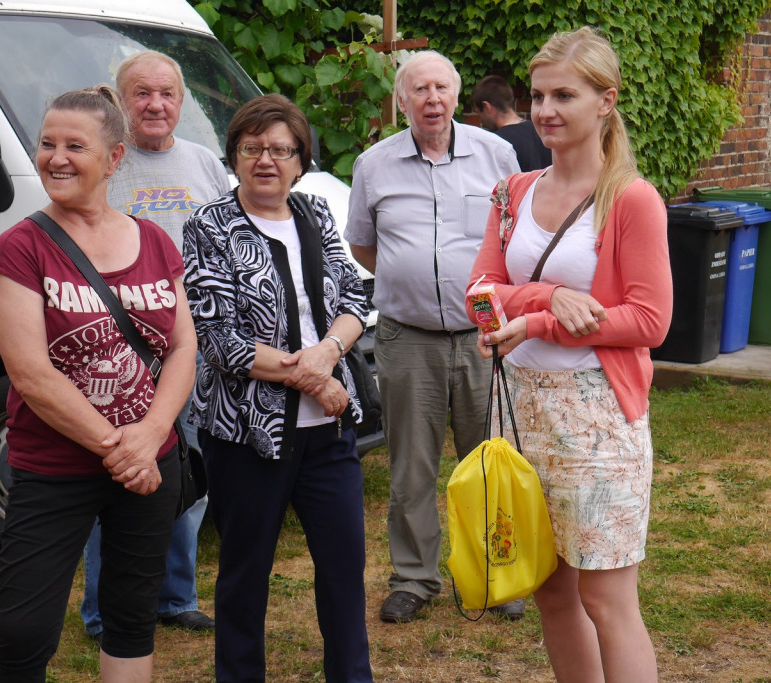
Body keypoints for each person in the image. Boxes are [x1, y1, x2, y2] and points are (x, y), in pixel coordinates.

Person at [467, 27, 670, 682]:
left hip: (598, 419)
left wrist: (538, 323)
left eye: (564, 95)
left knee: (606, 600)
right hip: (518, 410)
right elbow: (478, 296)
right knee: (550, 591)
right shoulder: (512, 193)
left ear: (606, 101)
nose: (546, 110)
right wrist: (548, 297)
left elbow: (650, 319)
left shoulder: (631, 199)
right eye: (538, 96)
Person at [0, 85, 197, 682]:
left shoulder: (153, 240)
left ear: (114, 158)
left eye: (75, 145)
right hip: (55, 469)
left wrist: (151, 435)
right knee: (25, 630)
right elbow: (31, 375)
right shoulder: (20, 248)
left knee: (132, 620)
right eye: (47, 143)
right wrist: (122, 449)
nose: (57, 157)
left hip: (150, 461)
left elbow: (182, 346)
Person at [183, 93, 373, 682]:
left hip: (329, 431)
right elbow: (219, 340)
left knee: (344, 570)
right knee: (245, 575)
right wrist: (312, 377)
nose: (266, 160)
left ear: (300, 160)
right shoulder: (209, 226)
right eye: (253, 148)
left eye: (281, 150)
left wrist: (328, 354)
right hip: (248, 433)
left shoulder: (314, 213)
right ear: (234, 155)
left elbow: (354, 297)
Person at [345, 50, 521, 623]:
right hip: (408, 338)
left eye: (442, 87)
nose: (432, 99)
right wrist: (413, 277)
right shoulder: (374, 164)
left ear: (458, 94)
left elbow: (515, 237)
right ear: (401, 101)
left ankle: (496, 574)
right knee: (411, 468)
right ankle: (414, 578)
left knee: (490, 460)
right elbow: (363, 244)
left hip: (482, 336)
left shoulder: (497, 155)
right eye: (419, 89)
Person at [80, 50, 228, 638]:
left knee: (186, 475)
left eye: (167, 93)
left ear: (182, 102)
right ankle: (103, 609)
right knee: (115, 476)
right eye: (141, 93)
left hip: (192, 349)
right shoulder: (106, 162)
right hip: (121, 354)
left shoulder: (205, 162)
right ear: (121, 101)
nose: (155, 104)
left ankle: (175, 598)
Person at [471, 74, 552, 172]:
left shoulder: (496, 143)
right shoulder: (542, 131)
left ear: (487, 107)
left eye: (479, 113)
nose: (481, 120)